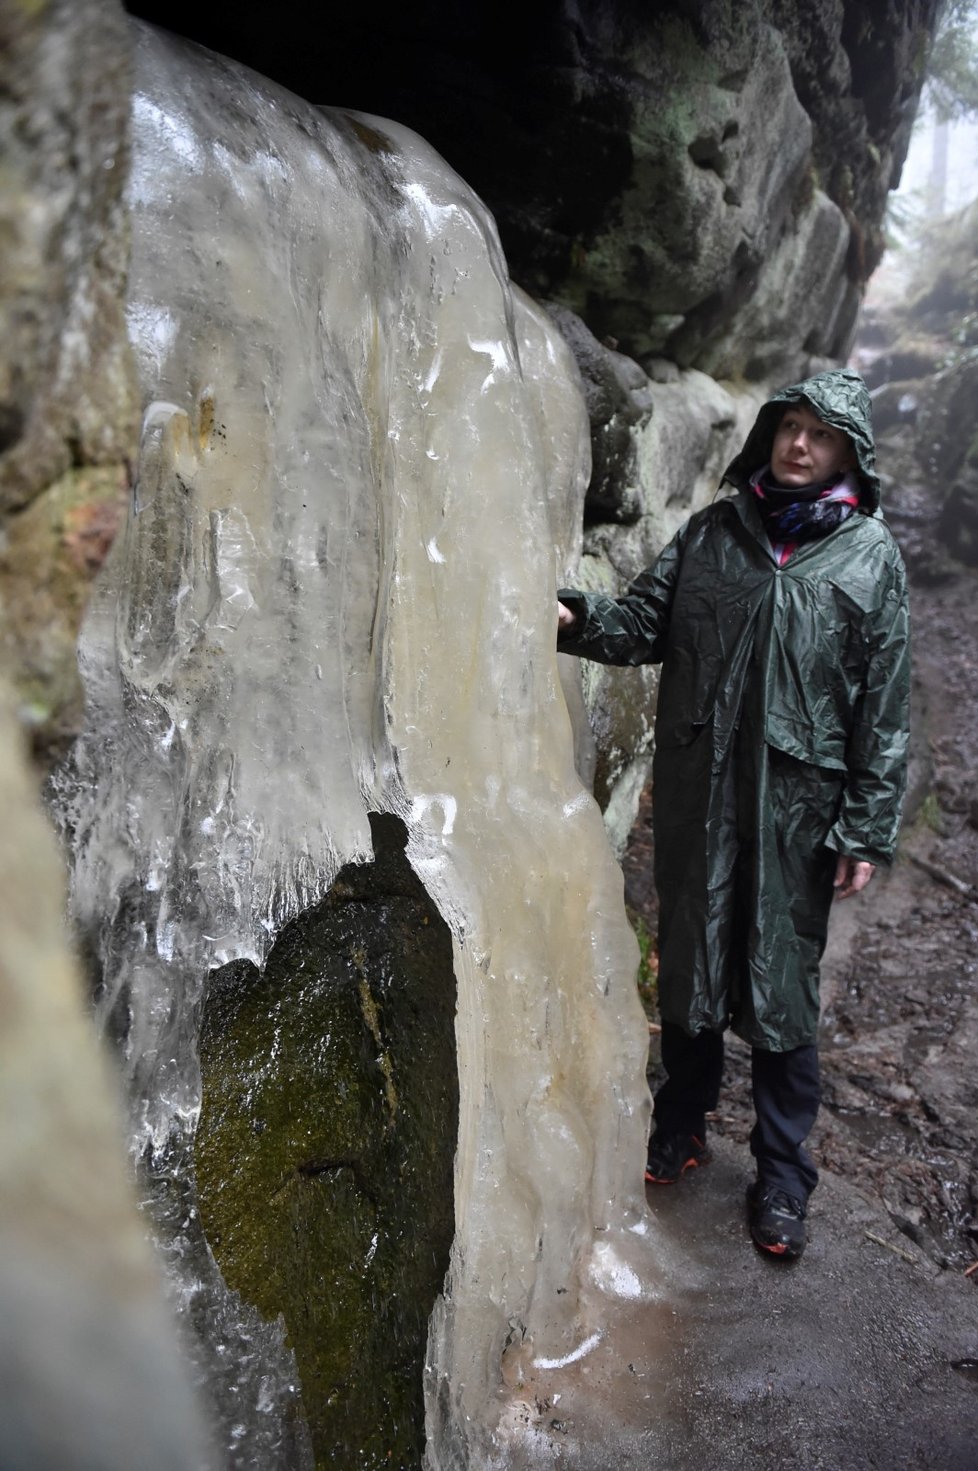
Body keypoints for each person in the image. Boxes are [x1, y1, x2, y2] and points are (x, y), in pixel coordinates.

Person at [556, 368, 910, 1261]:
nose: (799, 444)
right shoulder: (715, 532)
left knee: (783, 984)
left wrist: (867, 824)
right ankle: (679, 1123)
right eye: (790, 426)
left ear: (848, 455)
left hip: (801, 808)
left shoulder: (870, 555)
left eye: (821, 435)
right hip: (702, 791)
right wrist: (572, 616)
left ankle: (783, 1175)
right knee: (694, 956)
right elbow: (642, 623)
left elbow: (885, 701)